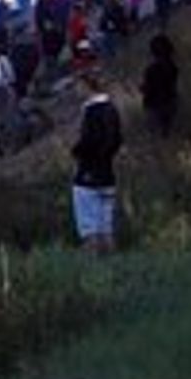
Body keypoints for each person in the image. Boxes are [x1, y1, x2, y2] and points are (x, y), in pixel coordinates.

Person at [72, 61, 125, 255]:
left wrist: (77, 152)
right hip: (107, 172)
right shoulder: (111, 108)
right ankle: (114, 267)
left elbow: (89, 141)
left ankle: (93, 273)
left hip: (87, 174)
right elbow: (116, 139)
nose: (76, 90)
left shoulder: (91, 111)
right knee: (106, 229)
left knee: (90, 231)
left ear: (86, 86)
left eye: (78, 85)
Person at [140, 33, 180, 139]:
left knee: (154, 135)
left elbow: (148, 88)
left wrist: (143, 89)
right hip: (170, 102)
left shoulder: (151, 69)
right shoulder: (173, 67)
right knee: (167, 133)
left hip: (154, 105)